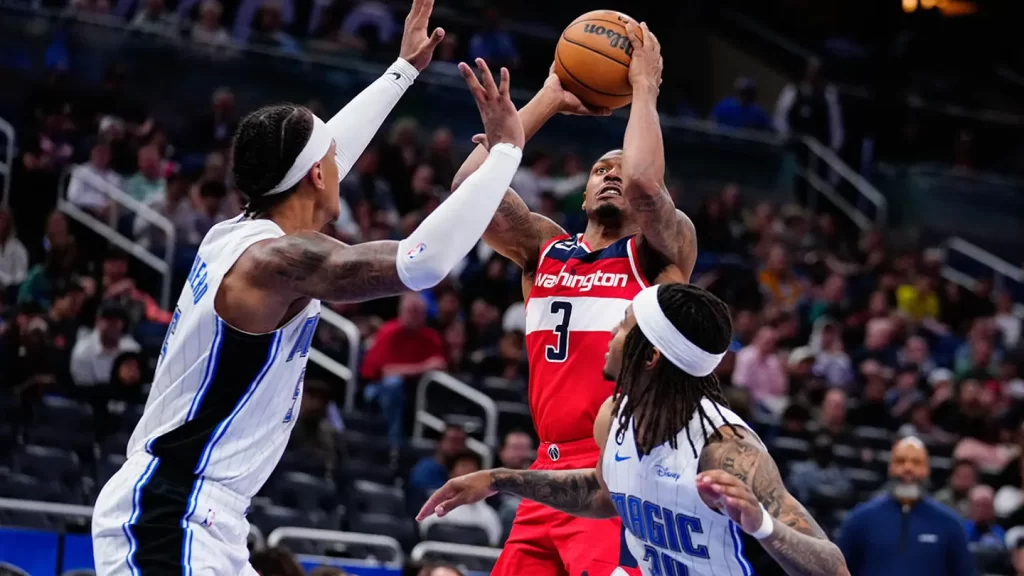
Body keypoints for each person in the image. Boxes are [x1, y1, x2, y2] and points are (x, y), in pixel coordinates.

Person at [89, 1, 526, 572]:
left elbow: (323, 151)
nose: (339, 163)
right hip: (171, 512)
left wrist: (403, 71)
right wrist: (507, 152)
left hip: (205, 513)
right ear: (318, 175)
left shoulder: (236, 232)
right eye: (331, 160)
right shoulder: (281, 260)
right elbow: (423, 262)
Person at [444, 21, 700, 576]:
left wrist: (644, 89)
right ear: (580, 192)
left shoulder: (661, 252)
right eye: (598, 170)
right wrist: (549, 99)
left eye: (618, 167)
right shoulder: (543, 248)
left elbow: (646, 187)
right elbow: (468, 191)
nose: (612, 176)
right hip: (546, 473)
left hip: (616, 470)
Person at [419, 283, 849, 576]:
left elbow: (833, 567)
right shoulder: (613, 415)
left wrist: (761, 525)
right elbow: (602, 493)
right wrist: (498, 480)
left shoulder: (727, 450)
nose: (610, 332)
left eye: (624, 325)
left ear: (651, 356)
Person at [837, 437, 974, 576]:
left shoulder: (950, 524)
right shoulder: (859, 520)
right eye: (900, 461)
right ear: (890, 467)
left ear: (927, 470)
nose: (908, 468)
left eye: (916, 462)